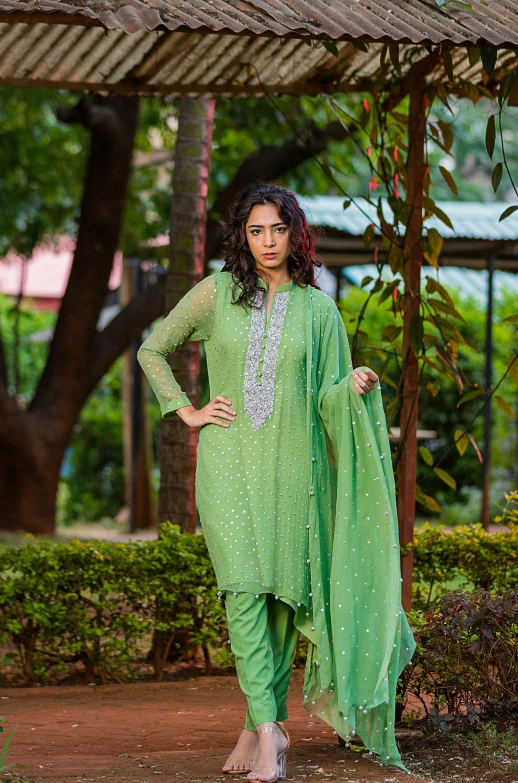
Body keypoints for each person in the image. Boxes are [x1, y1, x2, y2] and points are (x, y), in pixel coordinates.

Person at [138, 182, 416, 781]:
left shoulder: (319, 310)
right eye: (256, 230)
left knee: (283, 601)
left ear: (296, 233)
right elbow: (152, 349)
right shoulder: (215, 294)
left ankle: (254, 724)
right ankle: (271, 733)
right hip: (229, 465)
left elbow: (327, 397)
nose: (267, 242)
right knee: (242, 592)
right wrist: (185, 410)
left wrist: (354, 387)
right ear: (242, 235)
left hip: (297, 468)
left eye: (278, 229)